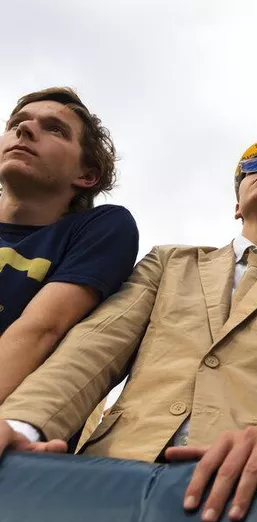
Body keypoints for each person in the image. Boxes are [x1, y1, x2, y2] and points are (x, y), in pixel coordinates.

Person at [0, 138, 257, 522]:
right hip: (115, 473)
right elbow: (95, 345)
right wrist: (21, 424)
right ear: (237, 206)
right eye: (251, 167)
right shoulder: (169, 261)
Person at [0, 87, 138, 406]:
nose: (25, 129)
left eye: (55, 129)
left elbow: (42, 329)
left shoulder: (100, 227)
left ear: (87, 175)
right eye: (17, 122)